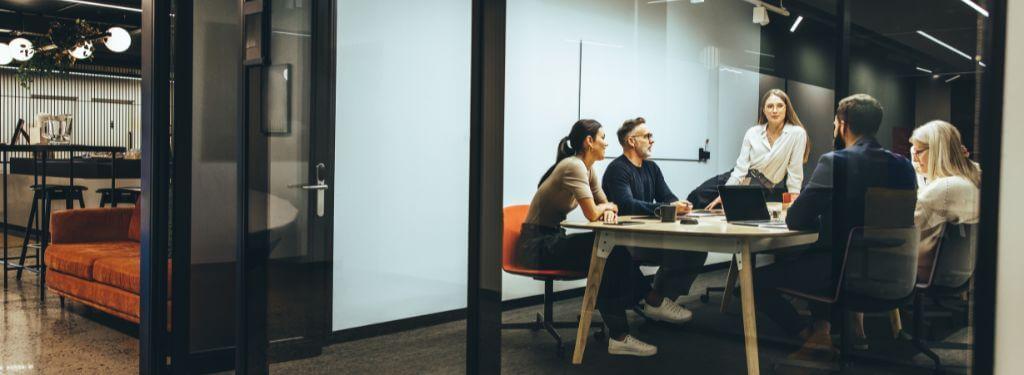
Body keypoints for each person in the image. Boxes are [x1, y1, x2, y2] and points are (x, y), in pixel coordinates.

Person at [751, 94, 918, 360]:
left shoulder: (836, 162)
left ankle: (810, 338)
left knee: (753, 281)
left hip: (844, 272)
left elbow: (796, 219)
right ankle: (822, 332)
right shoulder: (904, 167)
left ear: (842, 124)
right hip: (894, 270)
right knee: (817, 258)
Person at [517, 119, 689, 357]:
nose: (607, 144)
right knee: (608, 251)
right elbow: (593, 212)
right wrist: (604, 208)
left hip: (552, 238)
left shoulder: (588, 169)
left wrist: (606, 208)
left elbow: (609, 205)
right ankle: (648, 303)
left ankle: (629, 326)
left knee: (608, 250)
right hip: (535, 245)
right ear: (589, 141)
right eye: (603, 138)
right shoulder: (573, 166)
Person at [602, 117, 707, 312]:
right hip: (626, 242)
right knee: (684, 252)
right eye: (647, 136)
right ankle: (656, 302)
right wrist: (666, 209)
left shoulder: (651, 167)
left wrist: (679, 205)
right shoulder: (618, 169)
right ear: (631, 141)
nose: (652, 140)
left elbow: (666, 196)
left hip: (648, 238)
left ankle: (662, 302)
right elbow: (627, 205)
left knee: (696, 250)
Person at [706, 89, 810, 209]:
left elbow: (795, 172)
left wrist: (794, 202)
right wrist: (726, 194)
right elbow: (740, 169)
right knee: (699, 196)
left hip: (759, 188)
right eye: (770, 106)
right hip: (737, 178)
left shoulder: (797, 133)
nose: (775, 110)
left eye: (780, 106)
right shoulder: (753, 132)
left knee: (727, 211)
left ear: (786, 109)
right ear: (764, 110)